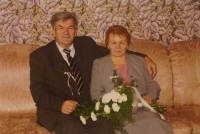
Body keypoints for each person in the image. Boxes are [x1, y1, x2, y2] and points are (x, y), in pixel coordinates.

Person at [29, 11, 157, 134]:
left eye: (70, 28)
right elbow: (38, 91)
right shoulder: (40, 56)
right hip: (57, 111)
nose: (66, 32)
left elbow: (113, 50)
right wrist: (60, 104)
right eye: (60, 28)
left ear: (76, 31)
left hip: (87, 108)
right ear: (53, 32)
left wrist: (144, 57)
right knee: (73, 128)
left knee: (105, 125)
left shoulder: (86, 45)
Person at [90, 25, 173, 134]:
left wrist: (149, 97)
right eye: (114, 43)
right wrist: (115, 103)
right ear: (108, 45)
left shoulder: (139, 61)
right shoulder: (99, 64)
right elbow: (95, 94)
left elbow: (152, 85)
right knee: (124, 128)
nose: (118, 46)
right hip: (116, 112)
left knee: (156, 123)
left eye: (122, 42)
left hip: (142, 109)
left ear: (127, 45)